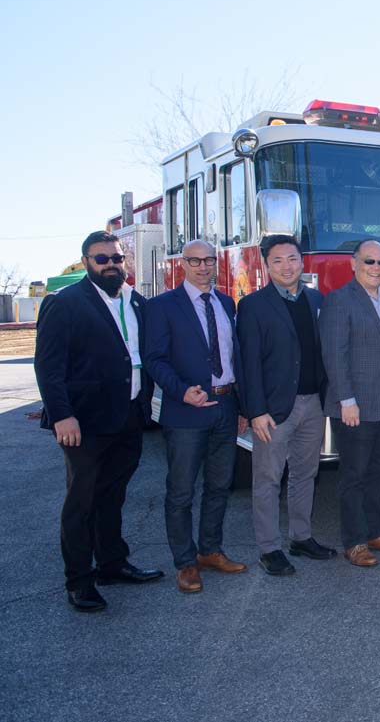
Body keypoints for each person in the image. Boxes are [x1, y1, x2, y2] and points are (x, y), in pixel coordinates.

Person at [34, 232, 163, 612]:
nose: (111, 264)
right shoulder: (66, 303)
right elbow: (49, 366)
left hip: (128, 415)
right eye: (101, 258)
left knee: (113, 496)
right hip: (83, 422)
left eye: (117, 258)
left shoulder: (136, 302)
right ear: (86, 261)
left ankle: (111, 563)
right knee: (81, 502)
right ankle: (79, 581)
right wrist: (62, 415)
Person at [144, 239, 247, 593]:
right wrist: (181, 390)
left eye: (208, 260)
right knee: (181, 491)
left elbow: (235, 358)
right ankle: (185, 563)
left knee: (219, 486)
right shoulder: (162, 306)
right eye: (195, 261)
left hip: (225, 406)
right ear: (182, 264)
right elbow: (154, 358)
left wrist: (242, 407)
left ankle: (210, 551)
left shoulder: (226, 302)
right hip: (186, 411)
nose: (203, 266)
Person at [236, 234, 335, 577]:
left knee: (306, 473)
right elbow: (247, 363)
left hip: (313, 405)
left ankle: (301, 537)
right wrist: (255, 410)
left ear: (301, 261)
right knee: (267, 479)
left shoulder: (317, 300)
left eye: (292, 259)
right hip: (273, 411)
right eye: (277, 260)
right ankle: (269, 548)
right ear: (266, 266)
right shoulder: (252, 306)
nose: (286, 266)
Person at [320, 240, 380, 568]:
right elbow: (334, 354)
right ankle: (355, 541)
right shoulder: (339, 300)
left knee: (379, 472)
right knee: (353, 475)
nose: (376, 268)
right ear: (354, 264)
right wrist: (347, 400)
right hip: (355, 405)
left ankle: (375, 532)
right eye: (369, 261)